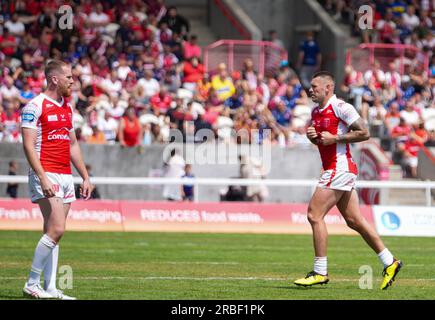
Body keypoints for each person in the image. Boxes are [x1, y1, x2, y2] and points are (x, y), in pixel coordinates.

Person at [294, 71, 402, 290]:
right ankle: (390, 262)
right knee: (354, 221)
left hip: (339, 168)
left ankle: (320, 272)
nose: (310, 90)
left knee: (314, 215)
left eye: (315, 86)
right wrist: (314, 139)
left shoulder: (342, 107)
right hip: (339, 169)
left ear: (328, 88)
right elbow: (325, 143)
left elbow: (364, 132)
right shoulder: (316, 112)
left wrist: (336, 138)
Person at [20, 59, 93, 299]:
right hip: (46, 172)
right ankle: (32, 283)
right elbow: (28, 146)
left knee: (52, 232)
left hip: (65, 175)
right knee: (58, 229)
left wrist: (84, 176)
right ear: (55, 79)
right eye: (69, 77)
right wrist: (42, 177)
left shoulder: (67, 107)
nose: (73, 81)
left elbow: (72, 144)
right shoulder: (35, 106)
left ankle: (49, 287)